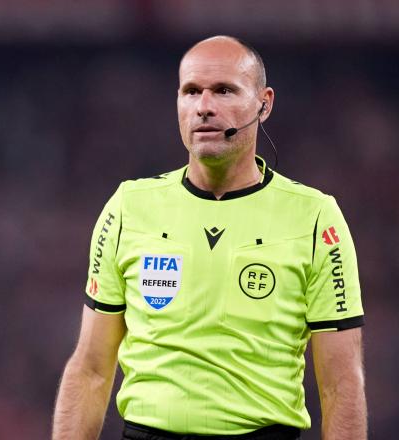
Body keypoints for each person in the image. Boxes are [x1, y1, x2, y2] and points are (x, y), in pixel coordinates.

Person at [52, 35, 366, 440]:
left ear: (264, 103)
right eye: (191, 92)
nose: (204, 106)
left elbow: (341, 384)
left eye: (223, 90)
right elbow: (91, 369)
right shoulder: (129, 207)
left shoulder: (315, 217)